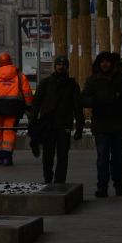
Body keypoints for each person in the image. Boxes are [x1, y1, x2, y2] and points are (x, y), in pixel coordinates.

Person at [82, 52, 122, 198]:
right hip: (101, 124)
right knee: (102, 157)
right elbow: (84, 98)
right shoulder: (93, 80)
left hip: (119, 123)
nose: (105, 64)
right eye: (102, 62)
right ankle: (102, 186)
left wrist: (121, 98)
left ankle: (119, 185)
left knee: (118, 157)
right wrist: (96, 101)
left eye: (108, 62)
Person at [29, 55, 84, 184]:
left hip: (64, 124)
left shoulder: (72, 85)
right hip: (48, 125)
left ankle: (60, 181)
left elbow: (77, 107)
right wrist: (33, 121)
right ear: (55, 66)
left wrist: (79, 126)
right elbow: (36, 103)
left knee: (63, 155)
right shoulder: (45, 83)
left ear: (67, 67)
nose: (61, 66)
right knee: (48, 155)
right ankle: (48, 179)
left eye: (64, 64)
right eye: (59, 64)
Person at [0, 51, 33, 166]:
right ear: (10, 61)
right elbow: (27, 92)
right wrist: (29, 105)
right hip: (13, 108)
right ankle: (7, 156)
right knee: (9, 131)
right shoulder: (19, 75)